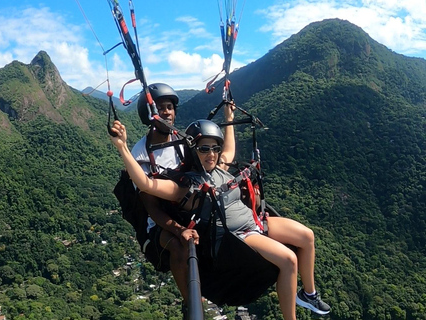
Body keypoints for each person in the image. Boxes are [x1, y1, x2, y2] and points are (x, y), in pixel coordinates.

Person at [110, 116, 330, 320]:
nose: (211, 154)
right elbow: (146, 184)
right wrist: (123, 148)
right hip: (237, 235)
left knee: (307, 237)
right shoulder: (187, 184)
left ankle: (308, 294)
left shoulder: (220, 169)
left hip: (254, 220)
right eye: (204, 148)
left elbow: (230, 146)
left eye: (215, 148)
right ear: (193, 150)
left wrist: (229, 116)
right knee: (289, 260)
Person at [130, 83, 200, 307]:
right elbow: (152, 208)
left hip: (187, 208)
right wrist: (180, 230)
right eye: (160, 108)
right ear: (149, 115)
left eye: (170, 107)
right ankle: (191, 304)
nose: (167, 112)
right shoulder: (140, 154)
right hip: (160, 221)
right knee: (180, 246)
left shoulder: (182, 142)